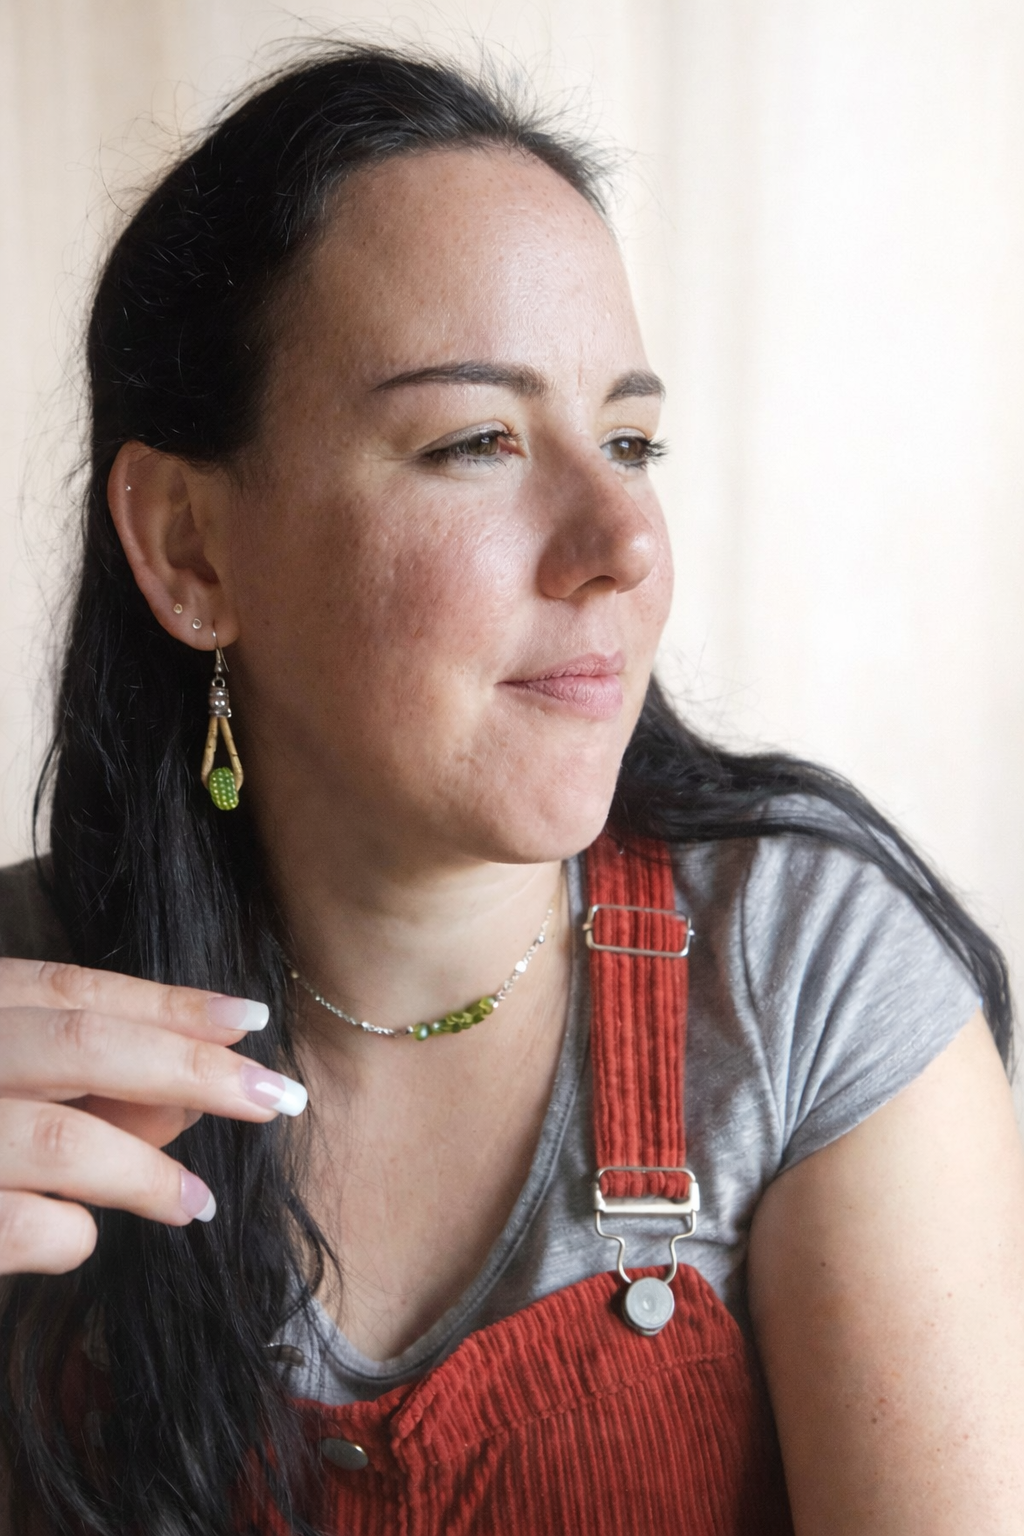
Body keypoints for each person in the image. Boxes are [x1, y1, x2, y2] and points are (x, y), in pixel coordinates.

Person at [0, 43, 1022, 1536]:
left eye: (630, 440)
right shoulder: (27, 1022)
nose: (625, 539)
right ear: (190, 549)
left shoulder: (810, 988)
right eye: (477, 440)